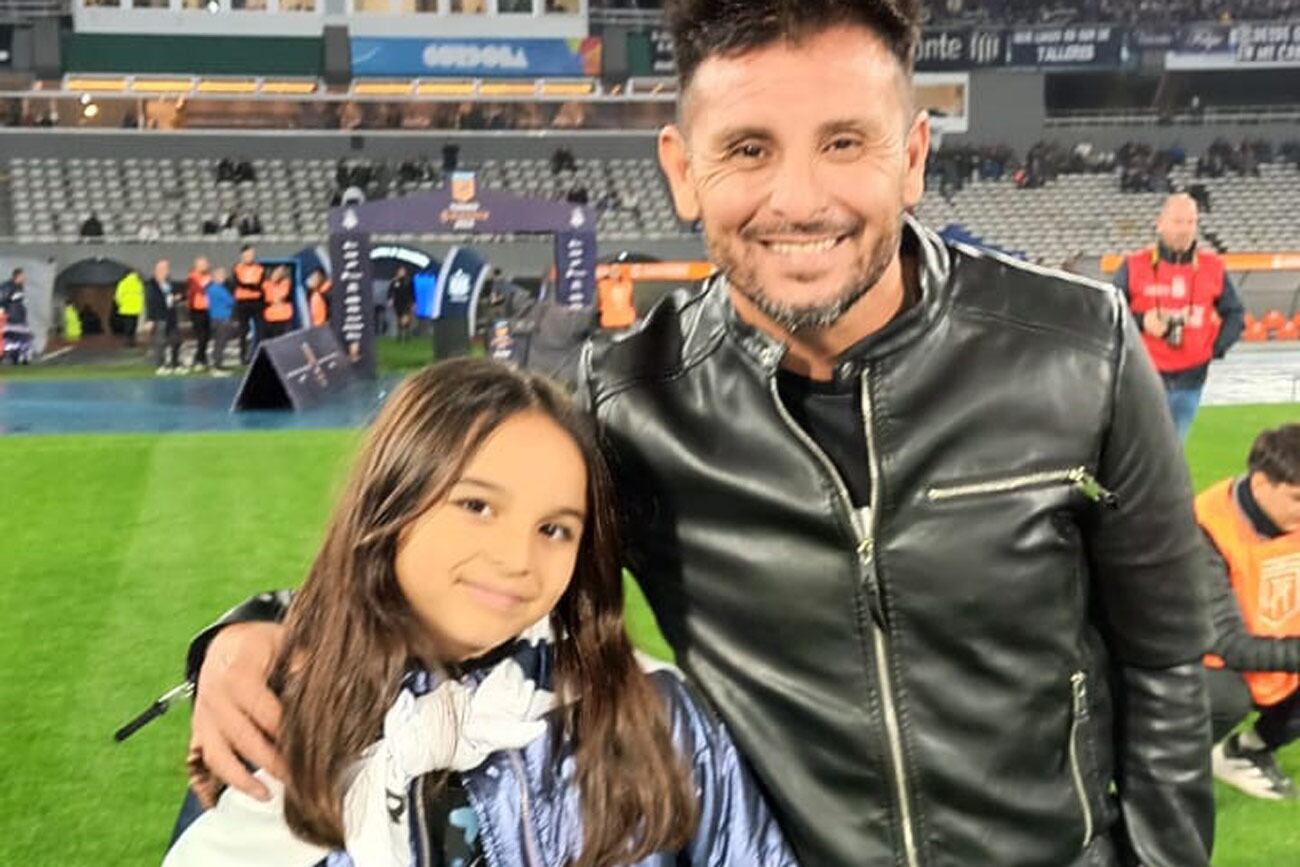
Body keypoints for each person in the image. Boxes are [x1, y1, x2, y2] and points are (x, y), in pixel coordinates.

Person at [184, 3, 1214, 865]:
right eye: (748, 150)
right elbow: (451, 550)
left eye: (844, 142)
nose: (798, 199)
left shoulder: (1074, 346)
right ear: (683, 171)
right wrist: (255, 628)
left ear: (911, 157)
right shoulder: (626, 404)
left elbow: (1166, 662)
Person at [166, 359, 796, 867]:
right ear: (392, 501)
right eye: (476, 506)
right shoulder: (272, 712)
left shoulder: (658, 718)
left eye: (555, 528)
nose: (517, 558)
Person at [1197, 424, 1300, 801]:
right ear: (1260, 484)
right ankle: (1172, 765)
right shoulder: (1203, 529)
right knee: (1225, 698)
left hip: (1279, 640)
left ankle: (1247, 750)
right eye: (1297, 498)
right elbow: (1225, 642)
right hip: (1210, 657)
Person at [1112, 193, 1245, 440]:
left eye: (1190, 222)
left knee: (1173, 452)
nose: (1184, 229)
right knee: (1137, 449)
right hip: (1144, 376)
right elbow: (1108, 313)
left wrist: (1214, 349)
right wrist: (1142, 321)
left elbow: (1235, 314)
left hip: (1191, 380)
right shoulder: (1134, 265)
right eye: (1177, 221)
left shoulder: (1212, 266)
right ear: (1160, 223)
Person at [145, 259, 183, 375]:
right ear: (156, 270)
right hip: (159, 316)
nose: (165, 271)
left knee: (176, 340)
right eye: (162, 269)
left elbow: (178, 295)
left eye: (166, 269)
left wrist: (177, 297)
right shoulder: (151, 284)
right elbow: (150, 302)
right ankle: (160, 365)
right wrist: (150, 319)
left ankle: (175, 363)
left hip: (171, 316)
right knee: (160, 342)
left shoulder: (170, 283)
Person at [232, 245, 266, 364]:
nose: (249, 257)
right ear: (242, 255)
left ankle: (259, 355)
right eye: (247, 254)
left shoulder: (259, 268)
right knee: (243, 330)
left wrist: (248, 286)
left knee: (260, 329)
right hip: (242, 302)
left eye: (251, 254)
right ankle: (242, 357)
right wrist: (251, 286)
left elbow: (260, 285)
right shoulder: (237, 268)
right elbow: (238, 283)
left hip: (256, 302)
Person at [206, 267, 235, 376]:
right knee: (220, 342)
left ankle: (219, 363)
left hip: (220, 318)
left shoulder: (218, 288)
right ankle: (216, 365)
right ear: (215, 277)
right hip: (220, 319)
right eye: (222, 275)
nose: (224, 277)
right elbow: (230, 301)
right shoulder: (215, 289)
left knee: (221, 342)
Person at [186, 256, 212, 372]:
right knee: (201, 335)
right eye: (203, 264)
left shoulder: (208, 276)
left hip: (207, 309)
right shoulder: (193, 276)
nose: (205, 266)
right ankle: (198, 359)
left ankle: (202, 358)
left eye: (206, 264)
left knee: (206, 335)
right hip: (196, 309)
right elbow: (199, 289)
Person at [262, 264, 294, 341]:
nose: (280, 273)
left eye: (282, 271)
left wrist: (280, 299)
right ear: (273, 271)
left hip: (285, 319)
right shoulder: (265, 285)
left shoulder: (287, 283)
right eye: (278, 271)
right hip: (271, 319)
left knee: (286, 341)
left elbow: (287, 296)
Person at [114, 269, 145, 347]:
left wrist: (120, 304)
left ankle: (127, 339)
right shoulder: (139, 283)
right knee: (134, 323)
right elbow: (142, 295)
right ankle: (132, 339)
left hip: (126, 307)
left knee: (127, 323)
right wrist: (141, 305)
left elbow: (118, 296)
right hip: (136, 307)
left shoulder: (123, 283)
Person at [387, 265, 414, 342]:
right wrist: (390, 299)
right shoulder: (394, 281)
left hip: (407, 302)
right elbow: (390, 291)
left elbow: (412, 292)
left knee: (406, 317)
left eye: (402, 271)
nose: (401, 273)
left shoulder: (409, 281)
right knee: (399, 318)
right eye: (400, 271)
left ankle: (407, 334)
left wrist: (413, 302)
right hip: (398, 302)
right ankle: (400, 334)